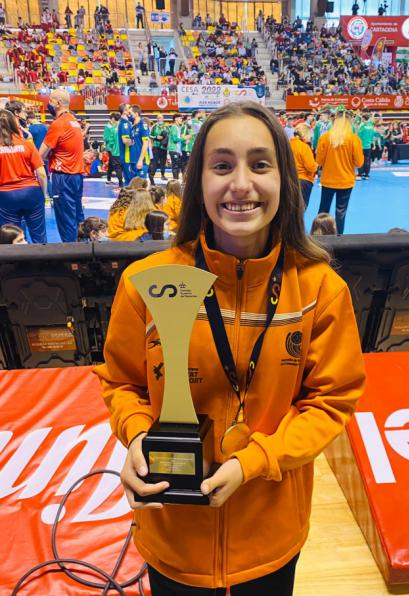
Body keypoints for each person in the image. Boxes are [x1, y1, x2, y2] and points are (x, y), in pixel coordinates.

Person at [94, 101, 366, 595]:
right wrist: (136, 438)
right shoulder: (144, 284)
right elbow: (121, 383)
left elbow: (331, 402)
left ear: (285, 179)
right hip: (174, 540)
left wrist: (254, 462)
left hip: (271, 538)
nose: (240, 184)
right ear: (198, 180)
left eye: (260, 164)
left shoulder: (322, 290)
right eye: (222, 166)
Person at [39, 89, 84, 243]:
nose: (48, 103)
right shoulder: (74, 120)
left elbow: (40, 155)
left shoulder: (58, 124)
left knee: (65, 220)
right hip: (76, 175)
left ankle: (71, 259)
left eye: (50, 100)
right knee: (77, 216)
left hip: (63, 176)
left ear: (57, 103)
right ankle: (81, 253)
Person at [0, 109, 47, 244]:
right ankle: (44, 262)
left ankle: (16, 264)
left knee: (12, 237)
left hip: (6, 196)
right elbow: (42, 174)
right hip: (31, 193)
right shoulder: (27, 144)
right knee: (40, 237)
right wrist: (43, 195)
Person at [316, 109, 364, 235]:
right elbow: (359, 163)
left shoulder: (325, 138)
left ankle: (319, 235)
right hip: (346, 181)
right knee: (341, 211)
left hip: (328, 180)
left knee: (323, 210)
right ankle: (339, 238)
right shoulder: (354, 139)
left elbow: (319, 161)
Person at [289, 124, 317, 209]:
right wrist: (316, 165)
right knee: (301, 209)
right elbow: (311, 167)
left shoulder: (286, 144)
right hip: (303, 181)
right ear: (305, 134)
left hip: (287, 179)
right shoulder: (304, 147)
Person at [130, 105, 150, 179]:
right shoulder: (132, 127)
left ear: (136, 113)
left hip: (141, 161)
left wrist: (141, 160)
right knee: (133, 187)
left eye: (130, 113)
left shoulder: (143, 125)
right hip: (132, 160)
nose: (129, 115)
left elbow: (145, 144)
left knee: (141, 187)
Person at [104, 112, 123, 187]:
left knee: (112, 164)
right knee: (115, 165)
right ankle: (110, 179)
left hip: (114, 149)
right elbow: (106, 138)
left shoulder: (114, 128)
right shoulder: (108, 127)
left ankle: (109, 179)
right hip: (111, 149)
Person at [118, 103, 134, 185]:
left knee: (128, 180)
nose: (131, 109)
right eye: (129, 108)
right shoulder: (125, 124)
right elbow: (125, 140)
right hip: (127, 155)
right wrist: (136, 142)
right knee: (130, 180)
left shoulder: (127, 122)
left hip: (127, 155)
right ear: (125, 111)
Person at [149, 114, 168, 183]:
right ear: (157, 119)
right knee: (155, 162)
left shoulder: (166, 127)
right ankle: (152, 175)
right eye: (159, 118)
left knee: (163, 162)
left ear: (163, 119)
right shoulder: (154, 127)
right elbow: (150, 136)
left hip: (164, 147)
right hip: (156, 147)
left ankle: (163, 175)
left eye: (161, 118)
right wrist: (156, 137)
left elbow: (169, 135)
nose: (160, 119)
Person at [357, 114, 374, 180]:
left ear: (363, 119)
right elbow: (372, 135)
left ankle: (360, 174)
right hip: (368, 146)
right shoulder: (371, 126)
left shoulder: (362, 126)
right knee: (367, 160)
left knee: (361, 160)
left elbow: (359, 136)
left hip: (362, 146)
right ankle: (366, 174)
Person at [167, 113, 182, 180]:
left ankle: (176, 180)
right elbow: (175, 139)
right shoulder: (174, 127)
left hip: (177, 150)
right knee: (175, 166)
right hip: (173, 149)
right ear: (176, 119)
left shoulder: (178, 127)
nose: (181, 119)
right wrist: (184, 139)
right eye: (180, 118)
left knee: (177, 166)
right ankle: (175, 181)